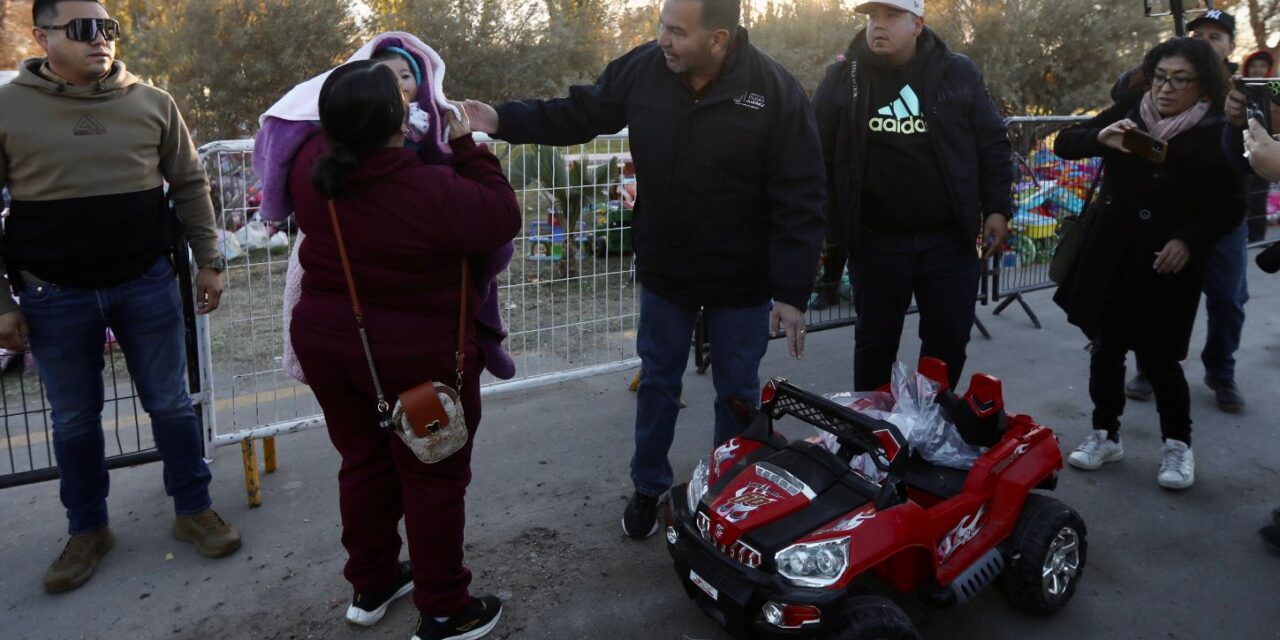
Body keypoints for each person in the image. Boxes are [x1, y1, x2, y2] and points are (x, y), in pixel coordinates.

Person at [463, 0, 826, 539]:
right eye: (661, 26)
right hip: (666, 270)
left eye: (677, 32)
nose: (663, 39)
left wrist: (791, 291)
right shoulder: (644, 69)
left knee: (738, 393)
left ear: (719, 39)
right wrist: (500, 119)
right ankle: (649, 487)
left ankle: (726, 493)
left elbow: (801, 193)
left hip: (741, 279)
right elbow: (579, 112)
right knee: (658, 380)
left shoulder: (773, 91)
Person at [0, 0, 240, 594]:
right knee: (75, 418)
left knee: (171, 404)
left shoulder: (152, 103)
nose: (100, 40)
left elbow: (189, 184)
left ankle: (193, 510)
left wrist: (209, 260)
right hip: (54, 296)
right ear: (43, 36)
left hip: (146, 284)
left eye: (109, 28)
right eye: (83, 29)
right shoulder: (7, 108)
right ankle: (88, 529)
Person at [288, 60, 519, 640]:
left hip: (329, 347)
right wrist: (467, 144)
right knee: (433, 474)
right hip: (415, 365)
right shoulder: (431, 189)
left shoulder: (312, 171)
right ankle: (444, 610)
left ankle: (372, 582)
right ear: (401, 120)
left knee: (363, 460)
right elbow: (501, 215)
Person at [1054, 37, 1244, 491]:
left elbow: (1231, 206)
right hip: (1112, 255)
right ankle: (1105, 432)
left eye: (1181, 80)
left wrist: (1189, 240)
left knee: (1161, 360)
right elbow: (1065, 143)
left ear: (1203, 87)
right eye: (1160, 77)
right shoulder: (1129, 112)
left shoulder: (1216, 131)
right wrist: (1099, 137)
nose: (1166, 88)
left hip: (1167, 265)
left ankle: (1177, 444)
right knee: (1107, 348)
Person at [811, 0, 1012, 392]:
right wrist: (820, 222)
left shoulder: (958, 72)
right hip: (876, 244)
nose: (877, 27)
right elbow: (814, 153)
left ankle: (930, 432)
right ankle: (871, 438)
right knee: (874, 347)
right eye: (872, 18)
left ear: (917, 24)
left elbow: (993, 144)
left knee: (947, 346)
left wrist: (997, 208)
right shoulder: (842, 77)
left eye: (891, 17)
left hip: (949, 244)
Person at [1121, 9, 1250, 414]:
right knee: (1155, 296)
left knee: (1227, 300)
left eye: (1216, 35)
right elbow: (1119, 95)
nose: (1206, 40)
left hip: (1222, 219)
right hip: (1168, 217)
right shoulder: (1169, 75)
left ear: (1230, 46)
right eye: (1199, 33)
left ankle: (1221, 372)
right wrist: (1154, 70)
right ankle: (1150, 367)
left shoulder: (1239, 90)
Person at [1241, 49, 1275, 244]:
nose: (1258, 70)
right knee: (1244, 192)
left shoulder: (1275, 89)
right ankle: (1243, 234)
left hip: (1268, 148)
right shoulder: (1239, 89)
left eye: (1262, 66)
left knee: (1260, 196)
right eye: (1254, 66)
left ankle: (1257, 236)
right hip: (1244, 145)